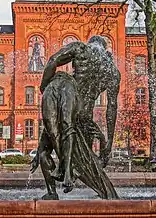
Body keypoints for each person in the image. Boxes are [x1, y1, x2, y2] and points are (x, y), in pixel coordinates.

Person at [40, 35, 120, 166]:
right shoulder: (112, 71)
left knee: (45, 149)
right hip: (85, 115)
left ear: (90, 44)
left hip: (66, 107)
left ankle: (62, 173)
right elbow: (112, 107)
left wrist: (44, 88)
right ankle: (76, 175)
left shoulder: (80, 48)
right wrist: (109, 141)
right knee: (85, 158)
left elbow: (53, 60)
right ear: (104, 49)